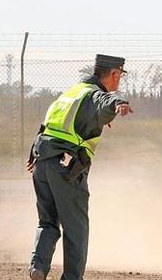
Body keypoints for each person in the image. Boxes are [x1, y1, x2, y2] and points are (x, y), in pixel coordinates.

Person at [27, 54, 134, 280]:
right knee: (76, 229)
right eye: (120, 76)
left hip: (42, 160)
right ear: (114, 73)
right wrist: (119, 103)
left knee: (47, 221)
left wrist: (33, 155)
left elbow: (47, 125)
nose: (119, 81)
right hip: (65, 167)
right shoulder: (96, 94)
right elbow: (104, 102)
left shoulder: (72, 93)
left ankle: (38, 266)